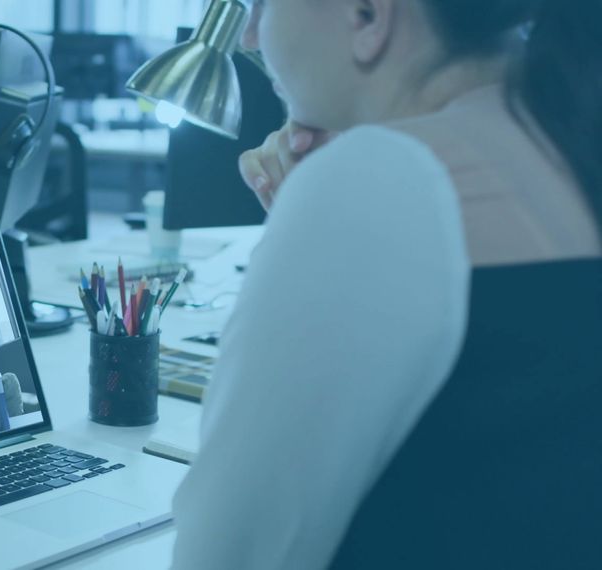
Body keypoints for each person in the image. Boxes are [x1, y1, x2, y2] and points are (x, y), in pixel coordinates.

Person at [173, 1, 601, 568]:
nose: (249, 36)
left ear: (368, 15)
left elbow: (227, 551)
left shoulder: (380, 179)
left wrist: (327, 210)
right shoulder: (564, 142)